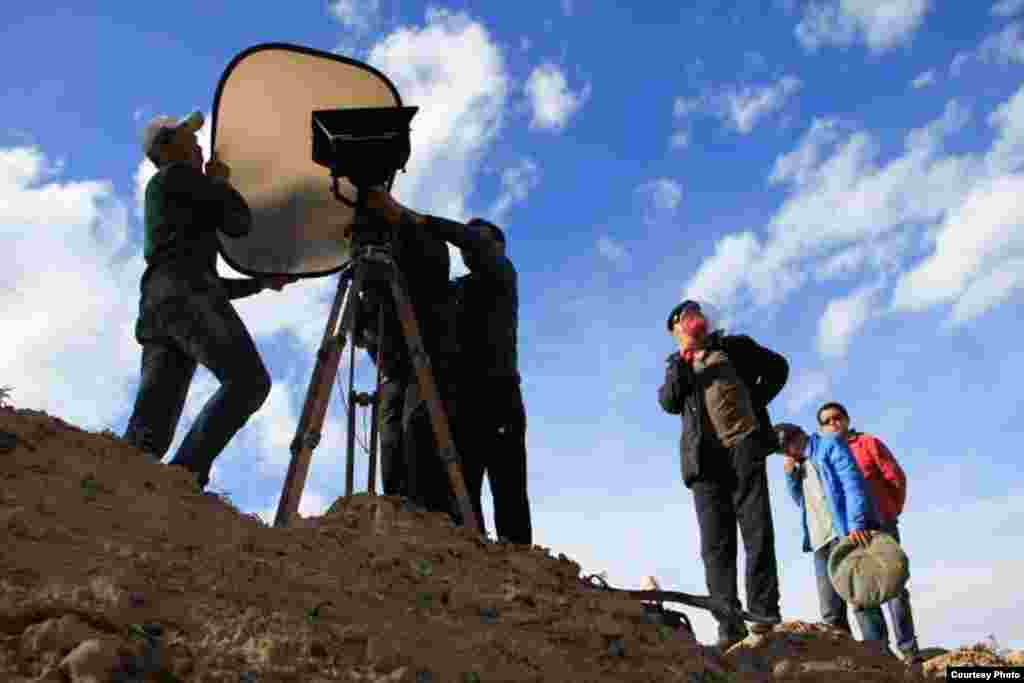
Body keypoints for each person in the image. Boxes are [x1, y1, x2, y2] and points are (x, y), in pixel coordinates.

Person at [123, 111, 295, 490]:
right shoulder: (179, 178)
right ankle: (184, 476)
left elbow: (207, 280)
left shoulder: (172, 191)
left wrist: (260, 283)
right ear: (166, 148)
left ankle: (123, 487)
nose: (199, 143)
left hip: (161, 304)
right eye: (189, 137)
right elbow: (237, 222)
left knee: (149, 431)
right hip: (183, 295)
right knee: (248, 383)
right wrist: (219, 182)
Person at [657, 300, 788, 650]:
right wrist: (680, 363)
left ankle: (763, 614)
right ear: (675, 331)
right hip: (704, 464)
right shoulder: (677, 365)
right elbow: (669, 402)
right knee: (716, 546)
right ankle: (730, 625)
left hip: (744, 448)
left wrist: (756, 400)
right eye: (682, 320)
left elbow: (778, 367)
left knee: (757, 530)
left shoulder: (734, 347)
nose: (690, 321)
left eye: (694, 315)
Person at [817, 401, 921, 664]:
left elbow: (895, 476)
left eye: (837, 417)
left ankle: (909, 652)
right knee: (861, 593)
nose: (832, 423)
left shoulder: (867, 443)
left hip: (880, 526)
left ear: (847, 419)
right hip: (849, 534)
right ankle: (880, 655)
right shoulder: (823, 454)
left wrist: (890, 510)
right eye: (826, 421)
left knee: (895, 588)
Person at [774, 422, 892, 652]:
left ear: (797, 437)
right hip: (820, 542)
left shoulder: (828, 445)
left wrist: (856, 523)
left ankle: (882, 657)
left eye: (784, 447)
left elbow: (852, 481)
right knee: (830, 610)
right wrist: (790, 476)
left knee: (861, 599)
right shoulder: (800, 465)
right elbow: (802, 502)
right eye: (781, 452)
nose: (785, 453)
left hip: (845, 533)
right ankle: (847, 663)